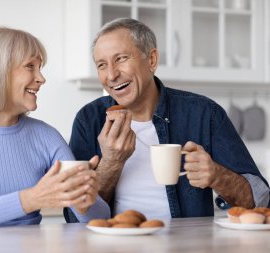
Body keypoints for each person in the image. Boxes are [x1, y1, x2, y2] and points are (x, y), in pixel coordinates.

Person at [65, 18, 269, 222]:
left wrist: (218, 176)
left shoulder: (205, 113)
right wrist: (110, 162)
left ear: (152, 60)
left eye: (121, 58)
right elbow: (74, 218)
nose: (111, 75)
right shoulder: (89, 120)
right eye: (102, 65)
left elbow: (262, 202)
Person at [0, 27, 110, 228]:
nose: (41, 78)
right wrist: (30, 199)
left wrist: (86, 200)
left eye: (40, 67)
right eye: (30, 66)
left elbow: (100, 217)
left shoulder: (46, 136)